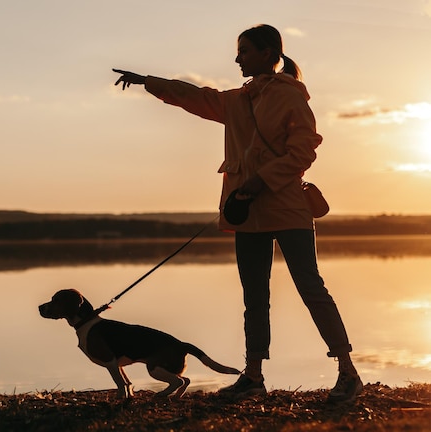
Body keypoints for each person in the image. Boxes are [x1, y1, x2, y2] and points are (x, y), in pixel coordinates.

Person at [113, 24, 362, 403]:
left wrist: (262, 181)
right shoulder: (237, 100)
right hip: (247, 214)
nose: (237, 58)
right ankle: (254, 376)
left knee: (312, 289)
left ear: (267, 53)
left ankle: (348, 372)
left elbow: (304, 150)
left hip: (288, 208)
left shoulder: (290, 97)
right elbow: (194, 96)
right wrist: (149, 81)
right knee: (254, 297)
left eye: (244, 51)